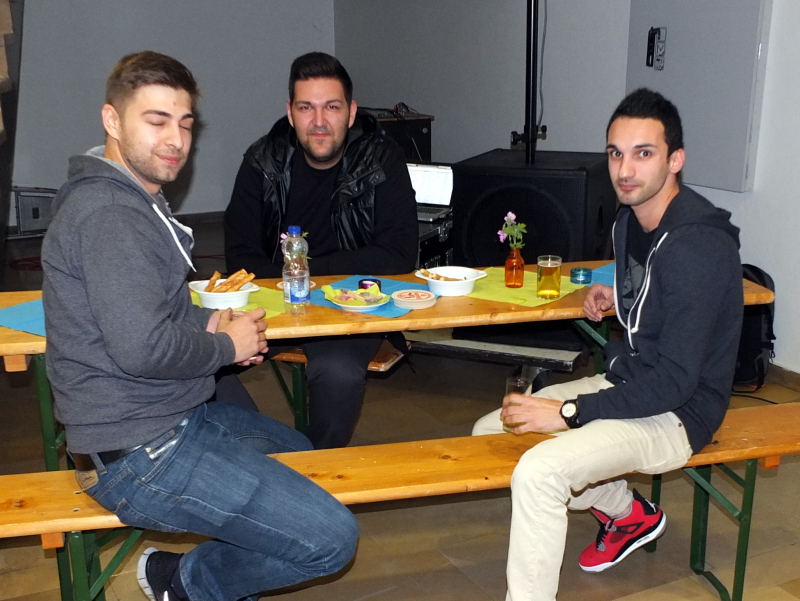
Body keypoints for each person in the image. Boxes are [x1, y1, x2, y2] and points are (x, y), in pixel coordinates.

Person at [41, 51, 358, 601]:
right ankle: (187, 582)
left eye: (185, 124)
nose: (176, 140)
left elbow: (151, 310)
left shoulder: (130, 198)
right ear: (112, 121)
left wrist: (210, 321)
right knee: (332, 539)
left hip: (170, 420)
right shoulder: (110, 215)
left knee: (303, 457)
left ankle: (205, 575)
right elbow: (143, 348)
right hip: (137, 454)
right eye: (156, 121)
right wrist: (223, 347)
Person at [472, 88, 744, 600]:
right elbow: (657, 295)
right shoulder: (629, 221)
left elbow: (676, 380)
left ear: (675, 160)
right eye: (616, 153)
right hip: (633, 383)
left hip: (681, 412)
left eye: (644, 153)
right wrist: (620, 297)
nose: (625, 170)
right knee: (492, 432)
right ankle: (628, 512)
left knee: (540, 471)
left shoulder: (697, 247)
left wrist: (571, 412)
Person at [224, 51, 418, 449]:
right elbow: (240, 257)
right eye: (305, 108)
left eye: (331, 107)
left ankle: (312, 468)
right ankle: (265, 453)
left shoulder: (382, 159)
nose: (318, 121)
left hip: (351, 304)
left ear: (351, 112)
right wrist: (290, 285)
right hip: (276, 302)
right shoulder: (263, 160)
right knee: (203, 363)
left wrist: (309, 274)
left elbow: (399, 253)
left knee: (337, 373)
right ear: (290, 113)